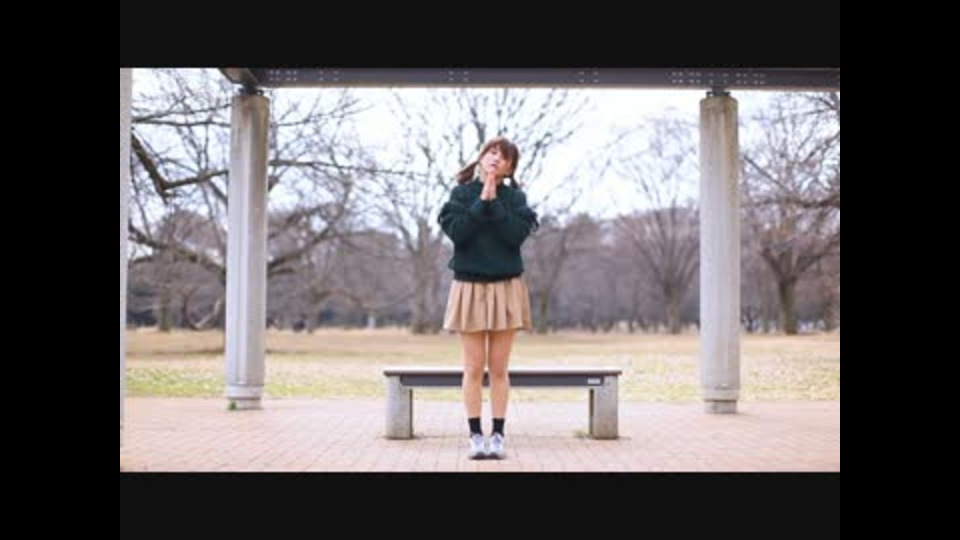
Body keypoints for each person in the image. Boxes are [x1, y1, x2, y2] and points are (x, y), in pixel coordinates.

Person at [437, 136, 539, 459]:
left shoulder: (516, 199)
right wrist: (482, 200)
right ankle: (475, 436)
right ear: (481, 157)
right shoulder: (461, 194)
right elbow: (459, 233)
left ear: (510, 168)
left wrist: (495, 203)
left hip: (506, 287)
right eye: (492, 152)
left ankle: (498, 435)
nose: (496, 158)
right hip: (469, 287)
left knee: (498, 369)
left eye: (504, 157)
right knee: (472, 368)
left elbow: (514, 236)